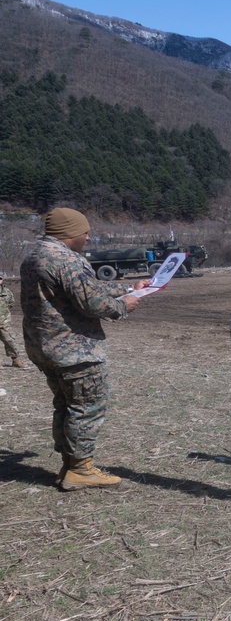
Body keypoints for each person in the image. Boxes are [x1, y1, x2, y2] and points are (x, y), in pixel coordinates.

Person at [20, 208, 150, 490]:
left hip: (46, 347)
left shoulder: (35, 256)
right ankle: (81, 469)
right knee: (86, 407)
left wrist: (130, 288)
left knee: (65, 405)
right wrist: (123, 306)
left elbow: (83, 289)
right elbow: (93, 303)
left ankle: (69, 464)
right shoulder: (68, 260)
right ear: (69, 233)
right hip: (74, 350)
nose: (88, 237)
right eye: (85, 231)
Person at [0, 274, 27, 368]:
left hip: (4, 323)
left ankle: (15, 360)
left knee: (10, 341)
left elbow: (11, 304)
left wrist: (4, 316)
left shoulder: (7, 292)